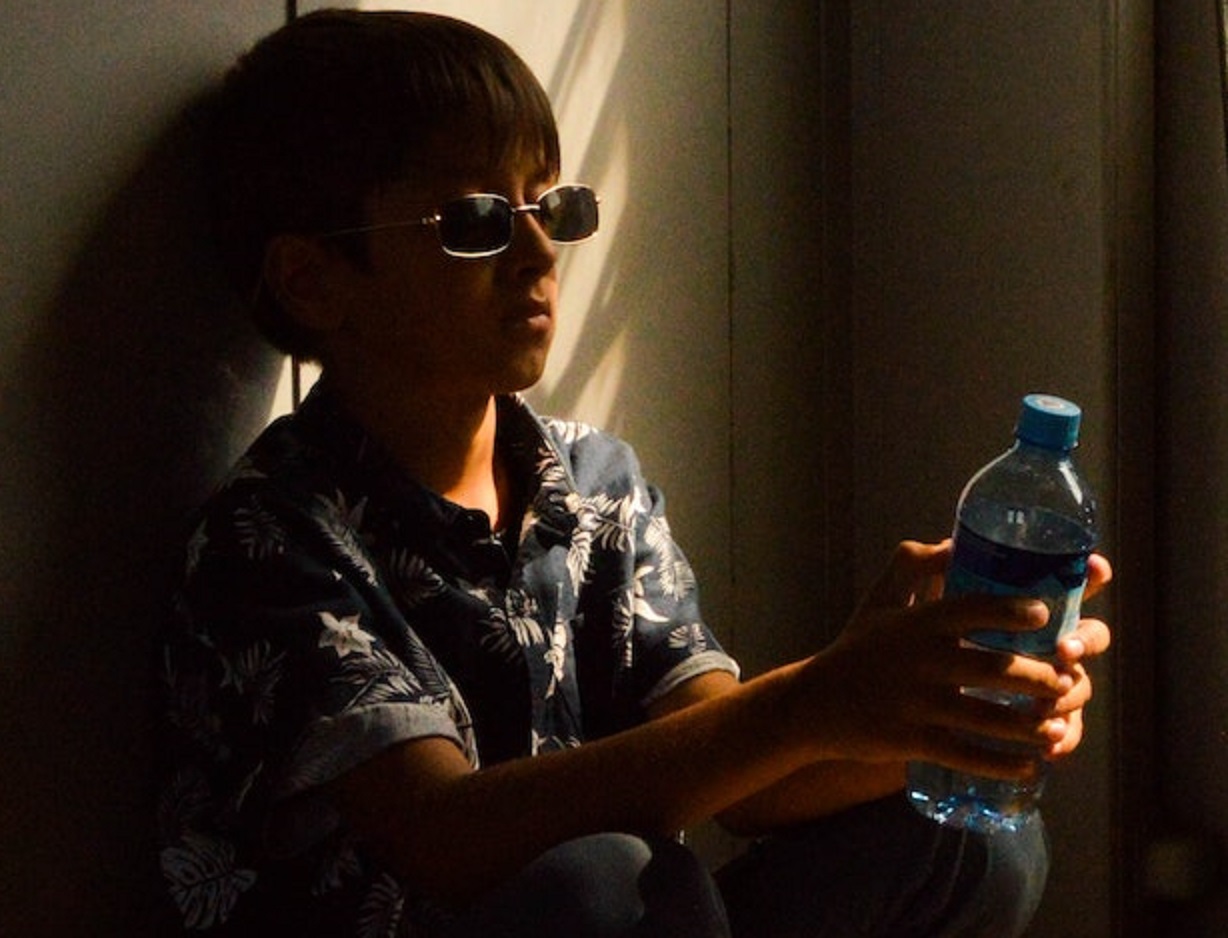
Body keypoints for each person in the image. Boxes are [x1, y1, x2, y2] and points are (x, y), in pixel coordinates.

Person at [156, 9, 1112, 937]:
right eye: (476, 220)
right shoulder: (269, 537)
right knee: (607, 882)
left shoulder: (590, 480)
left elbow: (746, 775)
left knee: (970, 844)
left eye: (550, 205)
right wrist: (815, 702)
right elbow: (445, 838)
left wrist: (915, 713)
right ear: (312, 278)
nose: (538, 253)